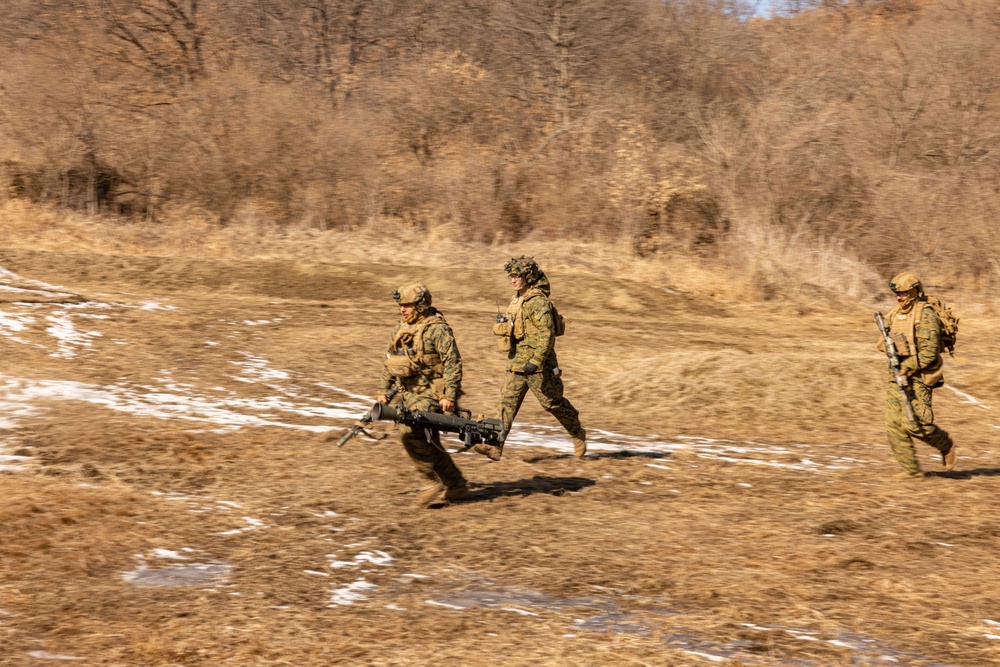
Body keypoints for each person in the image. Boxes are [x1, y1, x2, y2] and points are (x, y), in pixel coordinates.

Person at [475, 256, 586, 460]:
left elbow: (547, 334)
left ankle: (577, 433)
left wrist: (535, 361)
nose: (513, 279)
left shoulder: (537, 302)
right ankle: (494, 446)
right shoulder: (516, 299)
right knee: (506, 404)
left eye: (517, 275)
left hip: (539, 366)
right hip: (516, 363)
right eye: (511, 276)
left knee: (552, 404)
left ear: (529, 276)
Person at [376, 283, 468, 505]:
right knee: (428, 441)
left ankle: (433, 482)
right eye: (401, 305)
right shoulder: (401, 328)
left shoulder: (438, 329)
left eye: (407, 305)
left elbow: (452, 363)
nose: (402, 309)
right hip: (409, 393)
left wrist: (449, 395)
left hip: (433, 393)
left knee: (411, 432)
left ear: (421, 305)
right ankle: (456, 485)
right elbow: (390, 361)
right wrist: (383, 391)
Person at [880, 271, 956, 478]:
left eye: (903, 293)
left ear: (913, 292)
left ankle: (945, 443)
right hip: (896, 375)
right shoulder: (895, 313)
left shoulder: (926, 314)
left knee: (915, 424)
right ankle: (912, 471)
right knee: (893, 424)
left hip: (919, 377)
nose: (899, 297)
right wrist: (887, 345)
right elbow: (883, 340)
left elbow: (929, 353)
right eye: (897, 294)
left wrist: (908, 366)